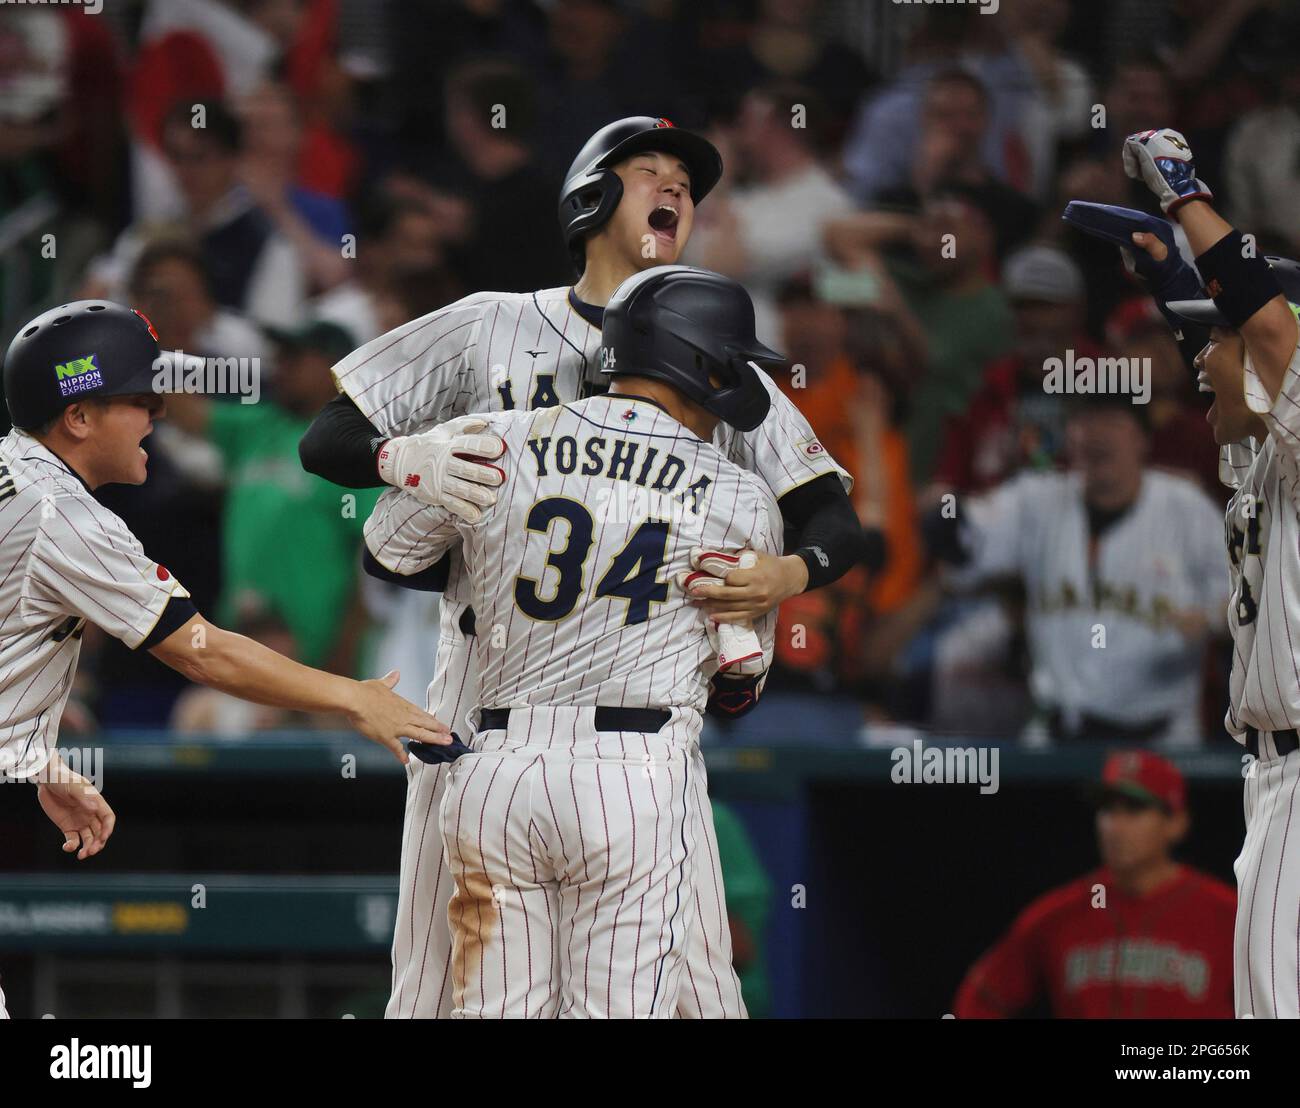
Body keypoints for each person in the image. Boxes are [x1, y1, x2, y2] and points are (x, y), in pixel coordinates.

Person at [297, 115, 866, 1019]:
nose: (676, 191)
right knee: (440, 972)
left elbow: (832, 517)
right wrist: (400, 461)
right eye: (653, 172)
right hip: (481, 680)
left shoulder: (714, 350)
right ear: (593, 195)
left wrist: (789, 576)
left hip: (637, 700)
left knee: (694, 982)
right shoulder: (493, 324)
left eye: (688, 183)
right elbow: (329, 434)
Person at [0, 300, 449, 1019]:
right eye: (141, 398)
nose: (160, 412)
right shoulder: (62, 516)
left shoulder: (16, 477)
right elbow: (202, 653)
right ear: (78, 418)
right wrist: (354, 696)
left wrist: (28, 753)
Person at [364, 265, 786, 1018]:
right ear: (695, 361)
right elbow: (739, 692)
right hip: (630, 774)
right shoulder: (735, 493)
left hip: (493, 770)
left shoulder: (498, 438)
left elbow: (387, 554)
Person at [1115, 127, 1300, 1016]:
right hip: (1278, 773)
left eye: (1214, 346)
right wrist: (1164, 271)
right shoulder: (1261, 453)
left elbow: (1263, 322)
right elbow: (1233, 334)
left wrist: (1182, 191)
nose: (1199, 365)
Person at [926, 395, 1226, 746]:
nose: (1096, 435)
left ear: (1143, 440)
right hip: (1057, 738)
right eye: (1085, 423)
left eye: (1113, 423)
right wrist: (948, 517)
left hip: (1161, 742)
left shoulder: (1187, 509)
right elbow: (967, 538)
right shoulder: (1037, 500)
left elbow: (1245, 598)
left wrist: (1210, 618)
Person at [953, 751, 1234, 1018]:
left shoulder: (1228, 914)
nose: (1115, 826)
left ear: (1176, 823)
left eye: (1134, 809)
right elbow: (982, 996)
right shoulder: (1059, 915)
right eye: (1108, 810)